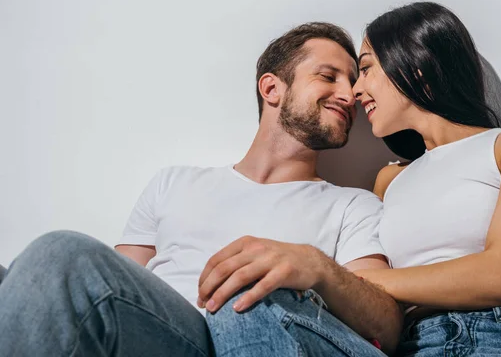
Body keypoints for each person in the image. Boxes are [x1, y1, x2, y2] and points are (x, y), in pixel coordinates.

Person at [0, 22, 402, 356]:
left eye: (352, 82)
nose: (350, 95)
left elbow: (387, 323)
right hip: (154, 336)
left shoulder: (353, 205)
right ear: (271, 89)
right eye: (328, 77)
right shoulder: (174, 183)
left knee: (61, 254)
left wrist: (317, 268)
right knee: (42, 269)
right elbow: (107, 290)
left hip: (254, 334)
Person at [352, 1, 501, 356]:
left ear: (414, 63)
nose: (355, 90)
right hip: (415, 343)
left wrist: (359, 281)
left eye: (366, 69)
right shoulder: (389, 180)